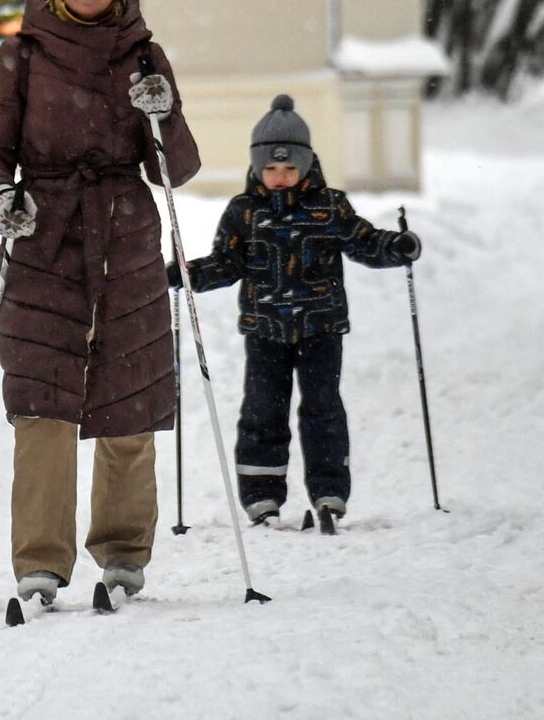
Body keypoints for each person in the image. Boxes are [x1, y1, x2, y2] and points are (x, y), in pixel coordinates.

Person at [0, 0, 201, 605]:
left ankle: (124, 553)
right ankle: (40, 561)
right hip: (44, 243)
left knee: (127, 402)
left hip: (125, 244)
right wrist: (1, 194)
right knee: (42, 407)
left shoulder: (142, 55)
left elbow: (177, 168)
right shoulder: (23, 55)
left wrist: (162, 114)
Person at [168, 95, 421, 526]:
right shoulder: (243, 213)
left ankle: (328, 493)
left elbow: (363, 242)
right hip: (265, 329)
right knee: (263, 411)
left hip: (321, 327)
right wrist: (186, 274)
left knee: (322, 409)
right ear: (257, 168)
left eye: (289, 168)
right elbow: (227, 264)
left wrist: (395, 247)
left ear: (306, 165)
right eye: (271, 169)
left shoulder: (329, 207)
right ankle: (262, 496)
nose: (280, 177)